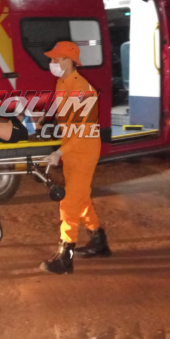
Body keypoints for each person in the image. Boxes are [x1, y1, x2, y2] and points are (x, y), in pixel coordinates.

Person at [39, 41, 112, 275]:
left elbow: (85, 129)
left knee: (68, 202)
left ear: (70, 61)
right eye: (52, 59)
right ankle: (99, 241)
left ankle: (65, 258)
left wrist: (60, 152)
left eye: (56, 59)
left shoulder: (83, 89)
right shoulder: (62, 82)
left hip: (83, 151)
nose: (52, 63)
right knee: (80, 199)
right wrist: (43, 121)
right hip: (71, 150)